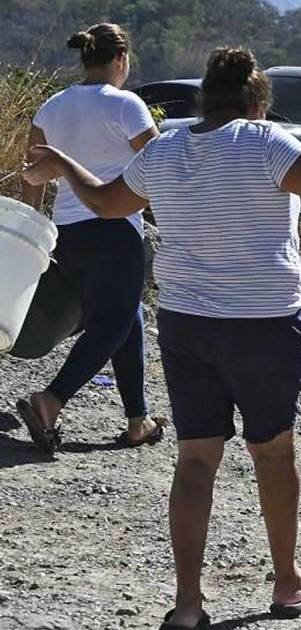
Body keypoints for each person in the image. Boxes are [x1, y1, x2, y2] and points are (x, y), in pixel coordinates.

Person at [23, 47, 301, 630]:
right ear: (257, 101)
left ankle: (187, 606)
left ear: (205, 98)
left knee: (196, 458)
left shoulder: (166, 150)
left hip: (185, 324)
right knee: (272, 451)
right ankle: (287, 582)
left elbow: (104, 201)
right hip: (263, 325)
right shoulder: (265, 141)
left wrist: (63, 164)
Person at [17, 23, 163, 453]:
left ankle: (138, 420)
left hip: (68, 234)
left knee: (127, 315)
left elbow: (32, 175)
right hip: (114, 231)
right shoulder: (126, 104)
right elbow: (161, 162)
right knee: (112, 321)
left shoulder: (52, 106)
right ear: (121, 59)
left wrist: (32, 230)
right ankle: (51, 400)